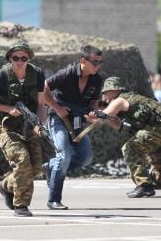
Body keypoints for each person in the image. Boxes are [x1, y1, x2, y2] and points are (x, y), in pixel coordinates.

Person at [0, 41, 46, 217]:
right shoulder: (1, 76)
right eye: (16, 58)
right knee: (22, 160)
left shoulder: (38, 74)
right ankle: (21, 205)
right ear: (10, 58)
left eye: (24, 58)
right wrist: (7, 109)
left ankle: (6, 185)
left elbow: (41, 104)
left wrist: (39, 124)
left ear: (28, 59)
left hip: (29, 124)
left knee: (36, 167)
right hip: (6, 125)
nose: (20, 61)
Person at [92, 76, 161, 198]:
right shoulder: (129, 97)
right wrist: (102, 116)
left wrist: (91, 112)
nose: (104, 98)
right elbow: (118, 126)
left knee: (130, 148)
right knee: (135, 145)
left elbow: (100, 117)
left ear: (113, 90)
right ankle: (147, 182)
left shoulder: (119, 101)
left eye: (105, 94)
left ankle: (144, 185)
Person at [44, 45, 103, 210]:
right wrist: (57, 108)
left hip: (77, 122)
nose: (98, 66)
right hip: (58, 119)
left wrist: (92, 116)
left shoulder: (97, 80)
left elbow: (93, 105)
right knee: (64, 156)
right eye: (95, 62)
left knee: (86, 157)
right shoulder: (67, 73)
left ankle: (50, 166)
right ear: (83, 60)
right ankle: (53, 199)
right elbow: (43, 89)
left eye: (100, 63)